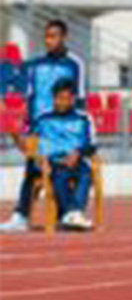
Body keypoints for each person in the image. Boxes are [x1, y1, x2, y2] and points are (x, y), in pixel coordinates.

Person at [1, 20, 88, 233]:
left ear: (64, 36)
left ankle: (66, 213)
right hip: (38, 127)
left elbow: (81, 101)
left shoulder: (75, 65)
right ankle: (22, 216)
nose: (49, 41)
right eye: (47, 36)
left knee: (62, 171)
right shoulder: (34, 65)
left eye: (54, 36)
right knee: (32, 171)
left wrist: (76, 138)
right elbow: (23, 93)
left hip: (63, 130)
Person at [14, 80, 96, 230]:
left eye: (66, 98)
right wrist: (18, 138)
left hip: (76, 160)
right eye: (59, 98)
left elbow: (92, 145)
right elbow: (28, 140)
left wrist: (78, 153)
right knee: (59, 175)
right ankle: (70, 213)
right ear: (53, 98)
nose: (62, 102)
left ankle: (73, 213)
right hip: (50, 161)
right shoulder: (42, 118)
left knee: (86, 172)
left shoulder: (83, 118)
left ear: (73, 99)